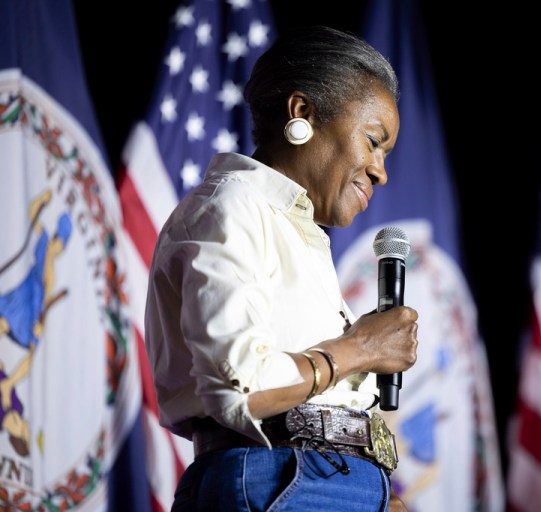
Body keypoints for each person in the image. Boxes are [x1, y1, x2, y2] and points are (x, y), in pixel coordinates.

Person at [144, 25, 419, 511]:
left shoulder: (296, 229)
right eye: (374, 141)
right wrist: (360, 348)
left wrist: (375, 488)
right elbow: (243, 387)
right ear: (303, 113)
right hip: (279, 481)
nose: (381, 170)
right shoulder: (231, 207)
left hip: (325, 484)